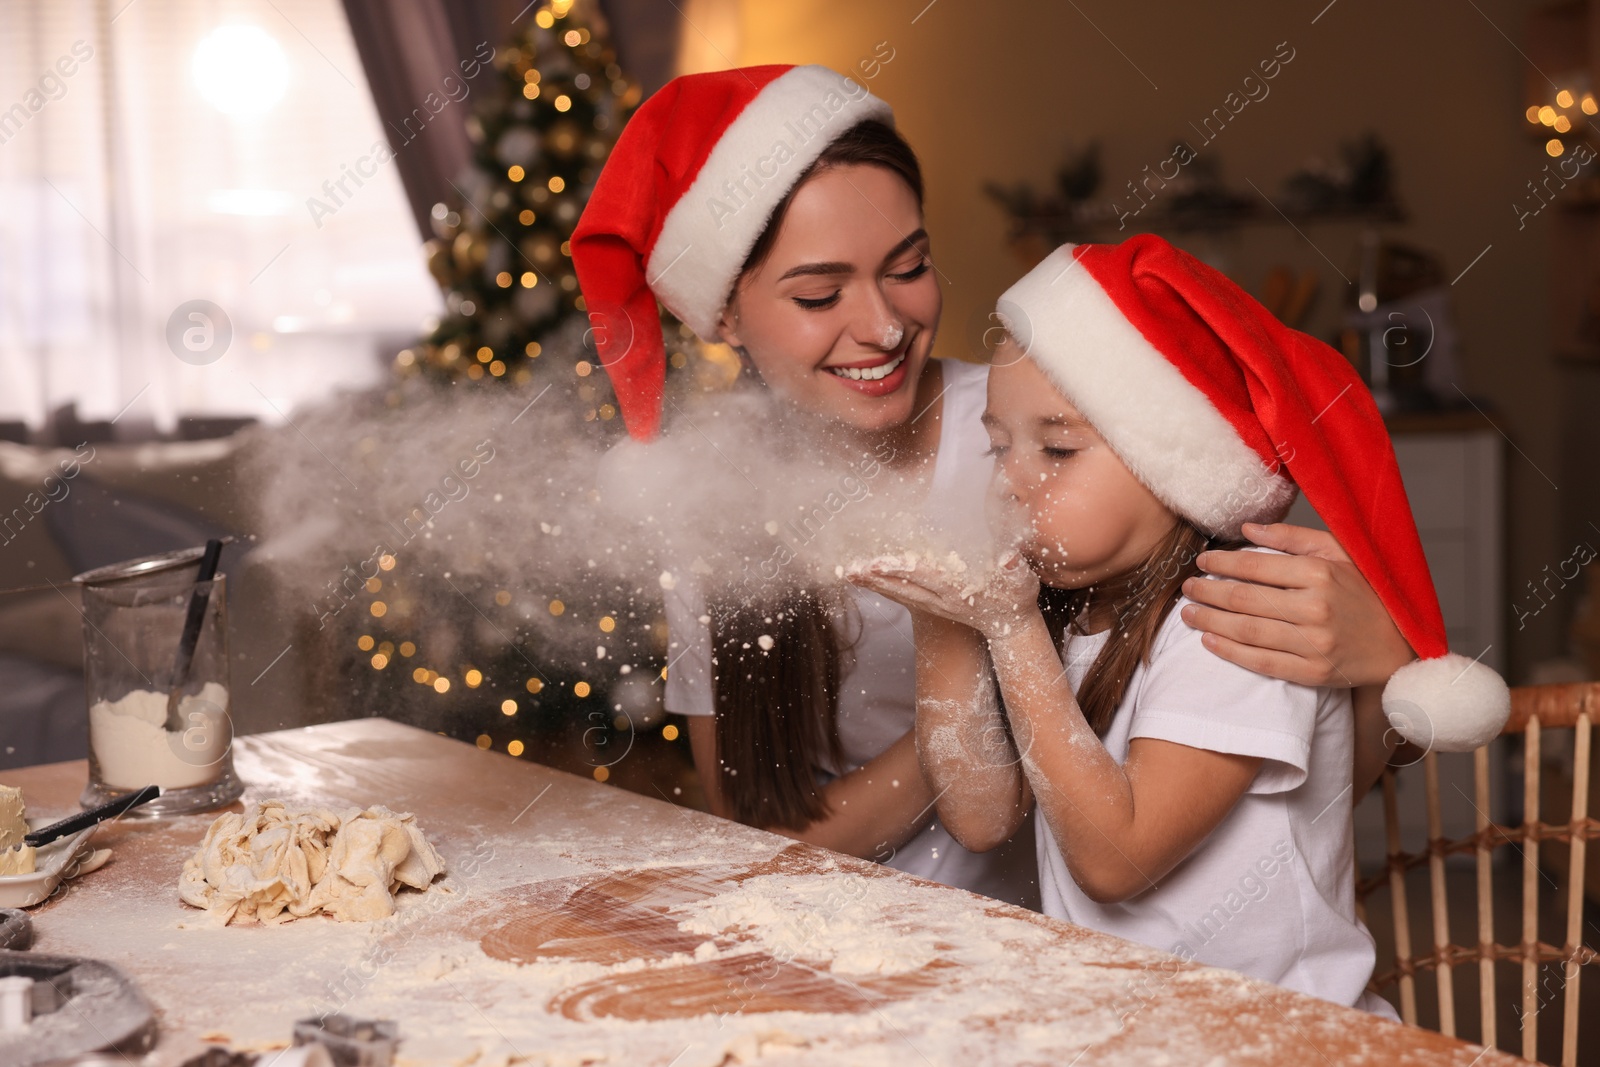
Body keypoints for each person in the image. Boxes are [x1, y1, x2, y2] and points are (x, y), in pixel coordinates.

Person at [570, 65, 1418, 910]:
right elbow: (758, 832)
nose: (882, 326)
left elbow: (1294, 741)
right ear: (722, 315)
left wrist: (1383, 655)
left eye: (908, 266)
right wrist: (979, 642)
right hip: (842, 930)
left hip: (1059, 954)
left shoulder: (1064, 418)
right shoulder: (709, 499)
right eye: (820, 292)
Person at [847, 235, 1510, 1011]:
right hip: (1135, 1029)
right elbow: (982, 815)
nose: (1010, 482)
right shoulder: (1064, 605)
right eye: (997, 447)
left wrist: (1011, 629)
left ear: (1174, 468)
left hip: (1280, 1039)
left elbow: (1116, 857)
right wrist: (947, 623)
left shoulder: (1235, 617)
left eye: (1058, 449)